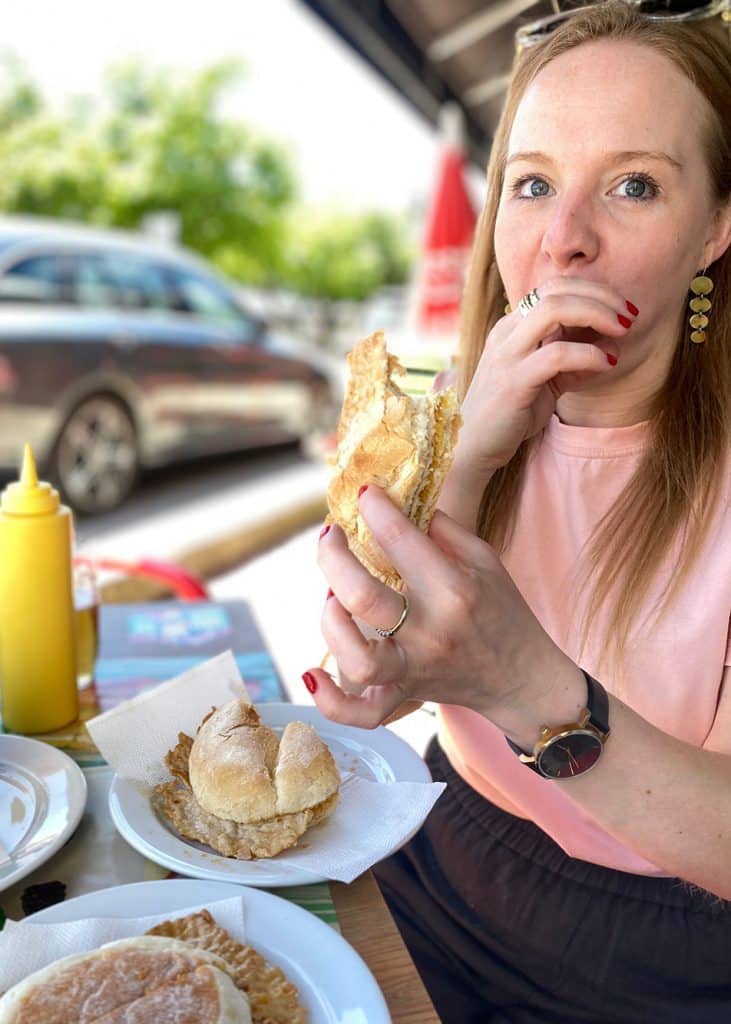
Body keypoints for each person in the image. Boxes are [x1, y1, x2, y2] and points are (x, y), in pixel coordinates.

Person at [302, 2, 731, 1021]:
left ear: (715, 226)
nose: (561, 243)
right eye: (531, 184)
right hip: (430, 842)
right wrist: (465, 453)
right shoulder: (458, 413)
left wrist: (535, 693)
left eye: (632, 186)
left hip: (654, 953)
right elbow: (372, 671)